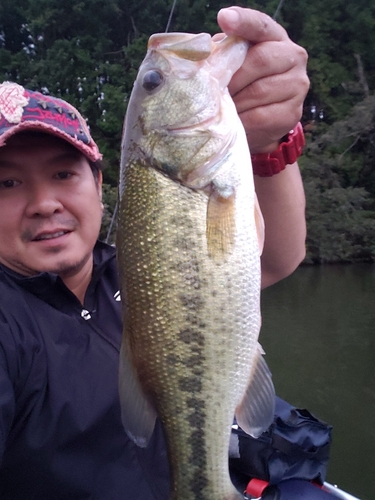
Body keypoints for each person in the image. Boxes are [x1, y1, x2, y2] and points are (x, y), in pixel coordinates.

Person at [0, 6, 308, 499]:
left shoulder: (125, 268)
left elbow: (274, 261)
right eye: (7, 183)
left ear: (99, 184)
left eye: (63, 174)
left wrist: (271, 142)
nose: (44, 204)